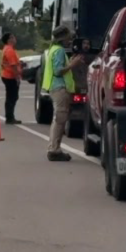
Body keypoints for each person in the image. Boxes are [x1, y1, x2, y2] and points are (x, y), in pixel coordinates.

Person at [43, 24, 85, 161]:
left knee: (59, 118)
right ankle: (54, 150)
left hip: (55, 87)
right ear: (63, 37)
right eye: (68, 37)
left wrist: (70, 62)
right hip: (59, 88)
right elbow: (58, 71)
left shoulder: (53, 49)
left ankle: (54, 148)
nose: (70, 40)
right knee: (60, 119)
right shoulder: (60, 51)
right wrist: (73, 64)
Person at [0, 32, 22, 124]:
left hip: (6, 75)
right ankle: (9, 117)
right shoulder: (9, 50)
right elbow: (13, 65)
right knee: (12, 97)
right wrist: (17, 77)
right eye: (12, 37)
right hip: (10, 76)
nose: (14, 38)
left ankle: (9, 116)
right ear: (9, 40)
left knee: (11, 97)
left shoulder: (7, 49)